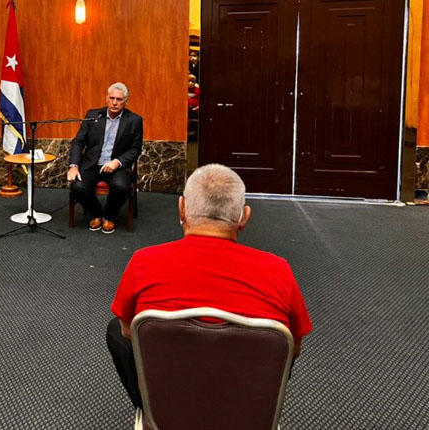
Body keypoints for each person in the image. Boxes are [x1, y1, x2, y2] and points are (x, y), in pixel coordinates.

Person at [105, 164, 312, 409]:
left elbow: (128, 331)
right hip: (246, 408)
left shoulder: (143, 262)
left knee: (116, 331)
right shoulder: (279, 270)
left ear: (182, 209)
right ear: (244, 217)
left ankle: (151, 407)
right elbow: (293, 349)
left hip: (169, 402)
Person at [67, 82, 143, 234]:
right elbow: (78, 141)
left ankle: (109, 216)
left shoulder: (134, 120)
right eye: (112, 98)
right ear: (106, 98)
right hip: (92, 164)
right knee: (77, 186)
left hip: (117, 167)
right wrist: (73, 166)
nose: (115, 103)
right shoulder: (93, 116)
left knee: (121, 186)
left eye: (119, 99)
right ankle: (95, 213)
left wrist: (118, 161)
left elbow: (135, 149)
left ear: (126, 101)